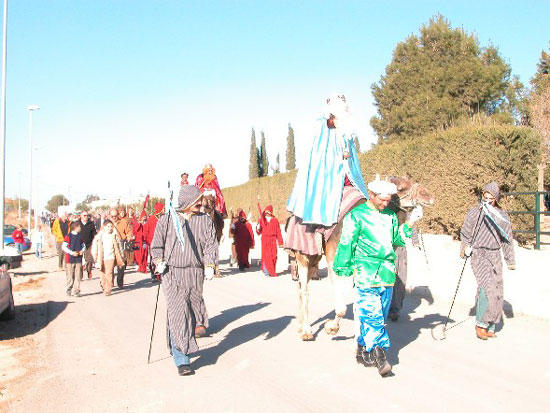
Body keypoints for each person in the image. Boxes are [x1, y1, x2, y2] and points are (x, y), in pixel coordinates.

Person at [333, 176, 422, 377]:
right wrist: (343, 267)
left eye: (389, 199)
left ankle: (363, 349)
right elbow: (347, 243)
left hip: (387, 274)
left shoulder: (390, 216)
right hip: (365, 273)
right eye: (382, 199)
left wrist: (409, 223)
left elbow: (397, 239)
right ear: (371, 195)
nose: (386, 203)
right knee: (373, 315)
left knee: (378, 315)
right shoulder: (356, 216)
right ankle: (381, 355)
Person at [150, 185, 218, 376]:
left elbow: (211, 245)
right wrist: (158, 261)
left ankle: (175, 343)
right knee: (179, 312)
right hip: (172, 273)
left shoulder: (205, 221)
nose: (200, 204)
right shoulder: (167, 220)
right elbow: (156, 246)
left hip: (195, 274)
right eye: (197, 202)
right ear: (188, 202)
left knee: (188, 313)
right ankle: (182, 358)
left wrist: (210, 265)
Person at [287, 94, 368, 227]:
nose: (346, 109)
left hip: (348, 175)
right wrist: (338, 157)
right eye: (342, 105)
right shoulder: (323, 126)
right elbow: (321, 154)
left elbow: (352, 157)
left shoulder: (347, 129)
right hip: (329, 174)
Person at [460, 182, 515, 340]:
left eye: (491, 198)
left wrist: (510, 259)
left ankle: (491, 323)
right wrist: (465, 247)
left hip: (494, 255)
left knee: (497, 288)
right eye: (485, 197)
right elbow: (466, 232)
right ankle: (481, 324)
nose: (488, 200)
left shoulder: (502, 216)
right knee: (487, 286)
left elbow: (507, 239)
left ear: (496, 199)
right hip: (479, 254)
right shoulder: (474, 213)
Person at [92, 220, 125, 296]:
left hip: (111, 257)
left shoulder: (114, 235)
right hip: (102, 257)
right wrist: (94, 256)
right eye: (108, 226)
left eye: (111, 226)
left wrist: (121, 254)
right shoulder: (100, 236)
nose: (110, 228)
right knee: (102, 273)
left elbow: (119, 246)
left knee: (109, 273)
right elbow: (95, 246)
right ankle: (103, 285)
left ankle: (108, 289)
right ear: (104, 227)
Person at [256, 199, 283, 276]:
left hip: (273, 240)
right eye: (266, 212)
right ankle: (267, 271)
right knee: (266, 255)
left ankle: (272, 270)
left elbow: (278, 231)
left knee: (273, 256)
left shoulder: (275, 221)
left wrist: (280, 242)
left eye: (269, 212)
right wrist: (258, 228)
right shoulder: (261, 220)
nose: (267, 213)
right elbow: (259, 231)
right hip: (265, 239)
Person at [62, 221, 86, 297]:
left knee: (78, 275)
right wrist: (72, 253)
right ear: (75, 227)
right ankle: (69, 288)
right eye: (79, 227)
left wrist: (82, 251)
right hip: (70, 259)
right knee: (70, 275)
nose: (80, 228)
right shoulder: (68, 236)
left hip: (78, 259)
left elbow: (83, 245)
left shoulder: (80, 236)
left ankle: (77, 291)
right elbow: (64, 247)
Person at [109, 208, 131, 288]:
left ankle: (120, 281)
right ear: (109, 216)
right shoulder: (107, 223)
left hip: (121, 245)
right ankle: (110, 281)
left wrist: (128, 236)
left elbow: (128, 231)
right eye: (112, 216)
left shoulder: (123, 222)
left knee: (121, 266)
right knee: (110, 266)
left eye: (115, 216)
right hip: (110, 247)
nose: (114, 218)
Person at [143, 202, 165, 280]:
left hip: (163, 241)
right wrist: (145, 241)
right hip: (152, 242)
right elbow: (146, 230)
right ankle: (153, 274)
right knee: (153, 259)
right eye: (163, 209)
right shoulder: (152, 219)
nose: (164, 210)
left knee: (162, 258)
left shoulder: (164, 218)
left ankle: (161, 274)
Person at [79, 211, 97, 279]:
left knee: (89, 260)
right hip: (79, 245)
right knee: (79, 261)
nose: (86, 217)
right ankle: (80, 275)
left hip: (89, 244)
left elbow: (94, 234)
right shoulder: (77, 224)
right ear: (81, 216)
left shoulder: (91, 224)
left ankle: (89, 270)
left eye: (87, 215)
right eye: (84, 215)